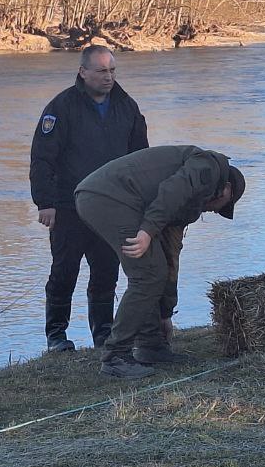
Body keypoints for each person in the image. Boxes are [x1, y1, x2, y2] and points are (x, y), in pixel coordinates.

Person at [75, 145, 246, 379]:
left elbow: (170, 258)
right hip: (109, 197)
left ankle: (151, 345)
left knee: (155, 270)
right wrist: (147, 230)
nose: (214, 212)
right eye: (221, 208)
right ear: (226, 190)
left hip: (110, 199)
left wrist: (165, 313)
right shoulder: (208, 167)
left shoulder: (189, 205)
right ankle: (115, 356)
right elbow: (172, 190)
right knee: (146, 274)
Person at [30, 45, 149, 353]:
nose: (108, 77)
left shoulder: (127, 107)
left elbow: (141, 159)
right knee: (64, 271)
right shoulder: (62, 107)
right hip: (69, 206)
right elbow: (42, 158)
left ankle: (103, 333)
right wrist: (45, 203)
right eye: (101, 71)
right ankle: (56, 335)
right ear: (83, 72)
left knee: (106, 271)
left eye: (112, 71)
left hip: (111, 207)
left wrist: (140, 202)